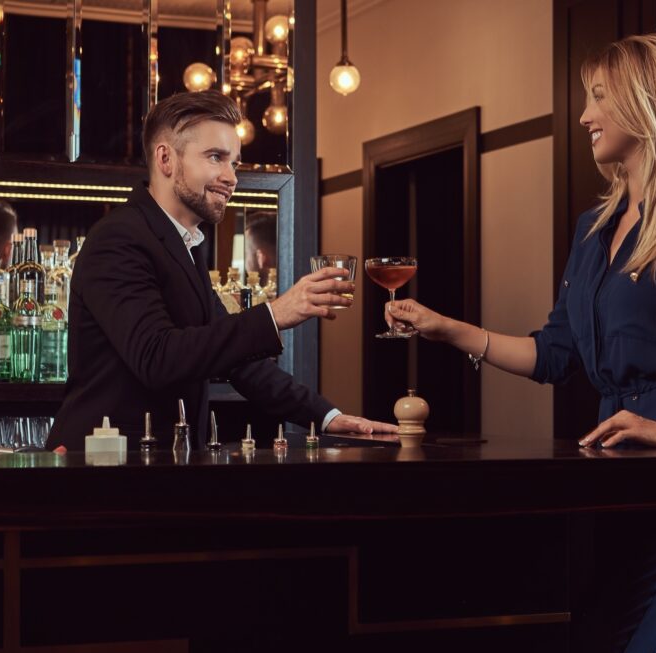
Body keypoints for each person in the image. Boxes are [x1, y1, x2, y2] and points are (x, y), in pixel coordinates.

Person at [384, 33, 656, 653]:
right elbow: (555, 355)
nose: (585, 116)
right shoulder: (593, 228)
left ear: (647, 102)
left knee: (605, 651)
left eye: (600, 97)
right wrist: (447, 329)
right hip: (617, 461)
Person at [47, 90, 395, 451]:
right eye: (216, 157)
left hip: (159, 464)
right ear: (165, 158)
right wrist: (275, 313)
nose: (231, 178)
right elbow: (156, 357)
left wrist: (327, 417)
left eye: (235, 163)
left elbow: (240, 363)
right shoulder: (119, 237)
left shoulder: (184, 244)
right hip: (104, 464)